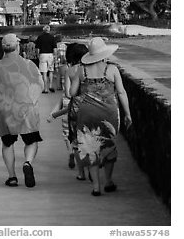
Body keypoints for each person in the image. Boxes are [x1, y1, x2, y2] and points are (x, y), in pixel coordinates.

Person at [58, 37, 132, 196]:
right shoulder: (112, 69)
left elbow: (71, 93)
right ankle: (109, 181)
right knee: (108, 145)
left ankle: (96, 187)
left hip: (86, 112)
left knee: (90, 147)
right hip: (108, 113)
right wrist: (128, 114)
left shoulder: (81, 70)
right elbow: (121, 92)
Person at [0, 33, 44, 188]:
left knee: (7, 143)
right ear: (18, 47)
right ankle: (27, 163)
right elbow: (41, 85)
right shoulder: (29, 65)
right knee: (31, 141)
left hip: (5, 112)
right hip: (26, 110)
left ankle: (12, 176)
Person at [47, 42, 88, 178]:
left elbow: (68, 93)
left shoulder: (69, 70)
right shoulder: (87, 69)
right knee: (86, 137)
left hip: (69, 106)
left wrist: (54, 113)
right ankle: (90, 165)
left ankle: (79, 169)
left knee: (70, 137)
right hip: (85, 105)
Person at [35, 25, 57, 93]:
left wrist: (38, 55)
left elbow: (37, 48)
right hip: (50, 55)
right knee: (51, 71)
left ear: (43, 30)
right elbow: (55, 49)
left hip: (43, 55)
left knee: (44, 73)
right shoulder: (52, 37)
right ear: (49, 30)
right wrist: (55, 56)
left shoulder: (40, 37)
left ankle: (45, 88)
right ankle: (50, 86)